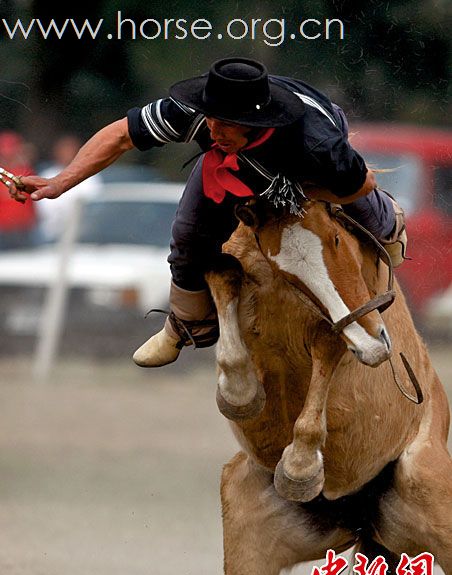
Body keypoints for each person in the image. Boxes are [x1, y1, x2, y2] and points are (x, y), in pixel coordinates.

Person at [9, 57, 406, 367]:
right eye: (210, 118)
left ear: (254, 121)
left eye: (225, 124)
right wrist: (61, 182)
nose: (212, 128)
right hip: (231, 164)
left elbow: (360, 184)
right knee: (187, 235)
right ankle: (182, 326)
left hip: (310, 170)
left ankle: (392, 227)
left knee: (371, 217)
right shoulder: (197, 113)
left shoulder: (318, 143)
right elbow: (120, 137)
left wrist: (296, 191)